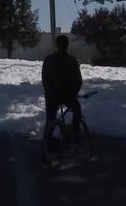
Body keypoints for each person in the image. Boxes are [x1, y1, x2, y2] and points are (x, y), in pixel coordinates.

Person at [41, 35, 82, 164]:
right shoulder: (71, 61)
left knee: (50, 122)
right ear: (67, 45)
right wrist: (73, 94)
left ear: (56, 45)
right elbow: (78, 81)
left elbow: (45, 80)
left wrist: (50, 94)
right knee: (77, 110)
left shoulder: (49, 60)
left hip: (52, 96)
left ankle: (46, 149)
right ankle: (74, 134)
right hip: (68, 96)